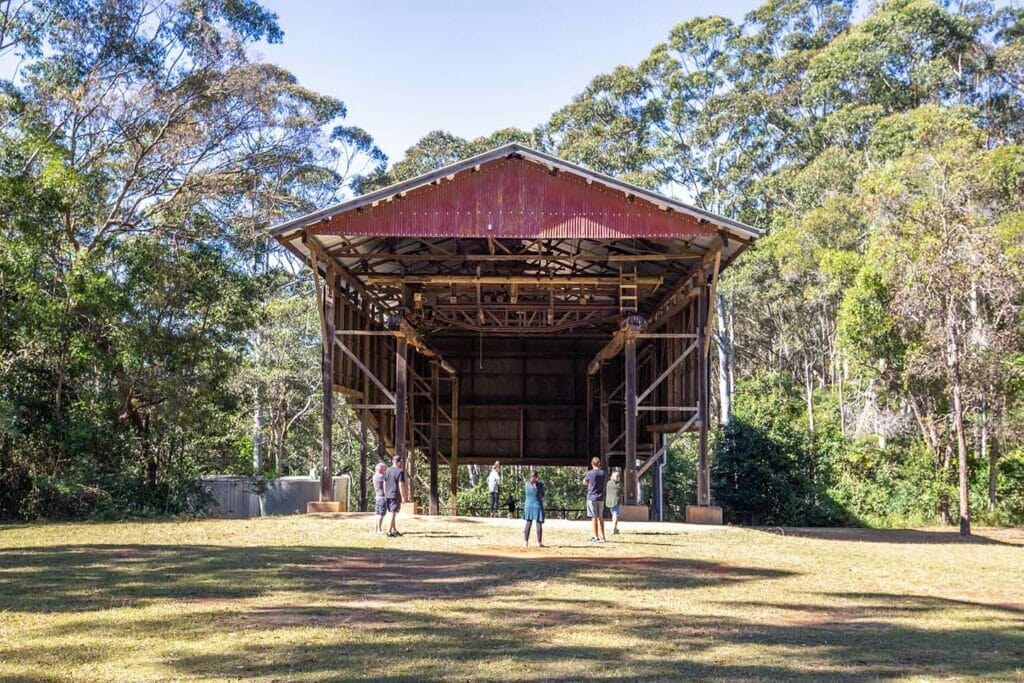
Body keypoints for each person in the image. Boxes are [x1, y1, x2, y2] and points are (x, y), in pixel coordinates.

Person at [582, 456, 607, 542]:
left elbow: (585, 482)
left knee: (594, 517)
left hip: (592, 497)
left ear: (592, 464)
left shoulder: (589, 473)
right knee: (600, 517)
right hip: (600, 497)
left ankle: (595, 536)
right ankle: (603, 536)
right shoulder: (603, 473)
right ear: (599, 463)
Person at [383, 455, 405, 537]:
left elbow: (384, 483)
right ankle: (389, 531)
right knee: (393, 513)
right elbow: (401, 485)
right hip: (395, 494)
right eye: (400, 462)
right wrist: (403, 497)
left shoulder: (387, 471)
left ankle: (394, 529)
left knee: (393, 512)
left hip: (388, 494)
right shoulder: (400, 471)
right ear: (399, 462)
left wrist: (385, 494)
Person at [522, 470, 545, 547]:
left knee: (528, 523)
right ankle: (539, 542)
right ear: (537, 477)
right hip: (537, 505)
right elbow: (542, 495)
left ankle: (525, 542)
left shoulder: (526, 484)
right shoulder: (540, 485)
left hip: (528, 505)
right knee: (538, 523)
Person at [372, 462, 388, 535]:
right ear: (379, 468)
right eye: (383, 468)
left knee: (378, 513)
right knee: (381, 514)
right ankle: (379, 529)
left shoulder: (375, 476)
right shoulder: (381, 476)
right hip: (382, 497)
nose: (385, 469)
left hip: (377, 496)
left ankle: (376, 529)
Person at [606, 468, 623, 535]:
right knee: (615, 514)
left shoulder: (608, 483)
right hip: (616, 501)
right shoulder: (619, 484)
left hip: (609, 502)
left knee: (613, 514)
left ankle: (615, 528)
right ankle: (614, 528)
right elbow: (622, 492)